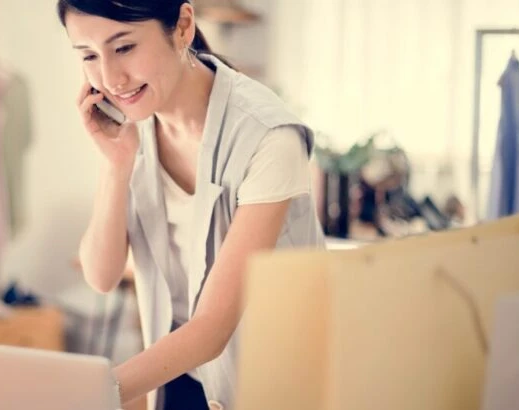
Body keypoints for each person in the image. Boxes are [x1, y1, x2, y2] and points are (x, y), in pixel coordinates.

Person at [57, 1, 326, 408]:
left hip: (266, 383)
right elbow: (101, 275)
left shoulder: (268, 138)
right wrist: (116, 165)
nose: (110, 78)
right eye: (90, 55)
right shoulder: (135, 123)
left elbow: (213, 329)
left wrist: (92, 393)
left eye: (124, 47)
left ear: (183, 26)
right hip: (178, 376)